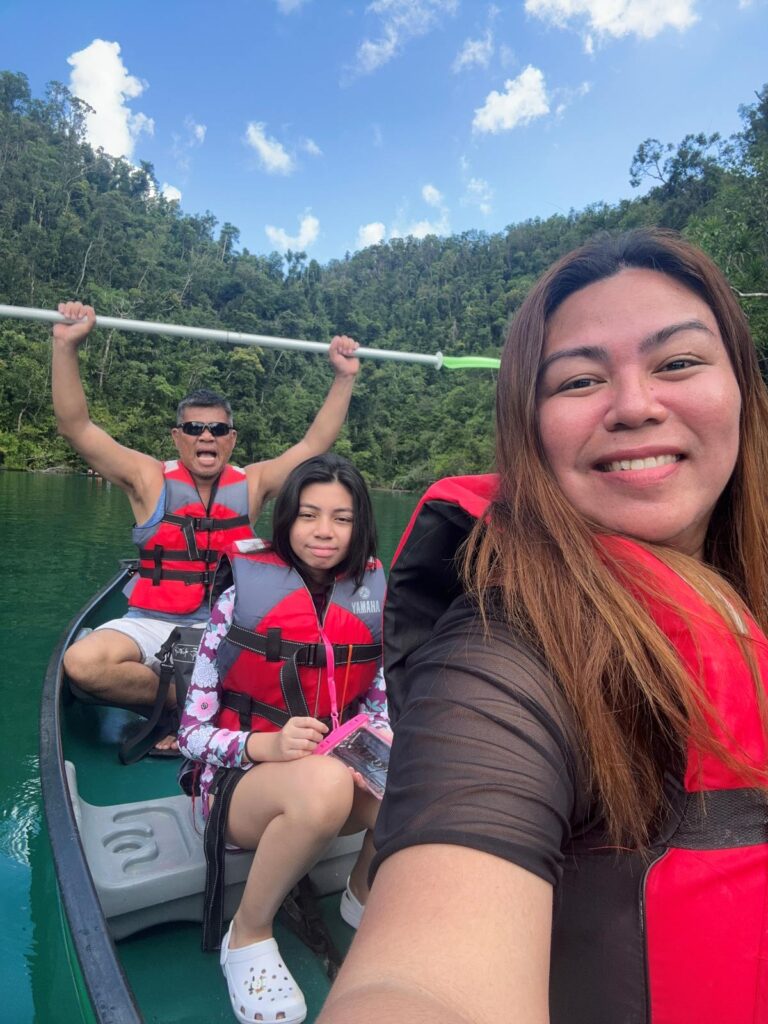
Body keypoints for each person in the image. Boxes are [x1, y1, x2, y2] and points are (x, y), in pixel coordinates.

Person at [318, 228, 768, 1024]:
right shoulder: (501, 654)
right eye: (579, 380)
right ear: (531, 429)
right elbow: (419, 989)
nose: (634, 406)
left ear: (743, 390)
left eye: (679, 363)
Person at [52, 302, 360, 752]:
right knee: (83, 664)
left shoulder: (252, 484)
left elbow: (315, 444)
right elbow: (75, 426)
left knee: (298, 657)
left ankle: (210, 706)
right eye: (194, 427)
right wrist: (66, 346)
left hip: (227, 626)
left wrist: (344, 376)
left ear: (231, 439)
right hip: (153, 623)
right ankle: (187, 704)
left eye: (218, 429)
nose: (206, 436)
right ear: (178, 436)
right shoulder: (148, 478)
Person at [178, 453, 388, 1024]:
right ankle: (246, 934)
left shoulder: (371, 597)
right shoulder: (234, 600)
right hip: (238, 789)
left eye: (341, 519)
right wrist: (261, 746)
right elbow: (190, 732)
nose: (324, 532)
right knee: (320, 784)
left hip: (332, 776)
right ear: (287, 519)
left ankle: (362, 894)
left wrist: (377, 743)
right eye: (309, 515)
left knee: (415, 774)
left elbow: (377, 702)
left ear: (359, 524)